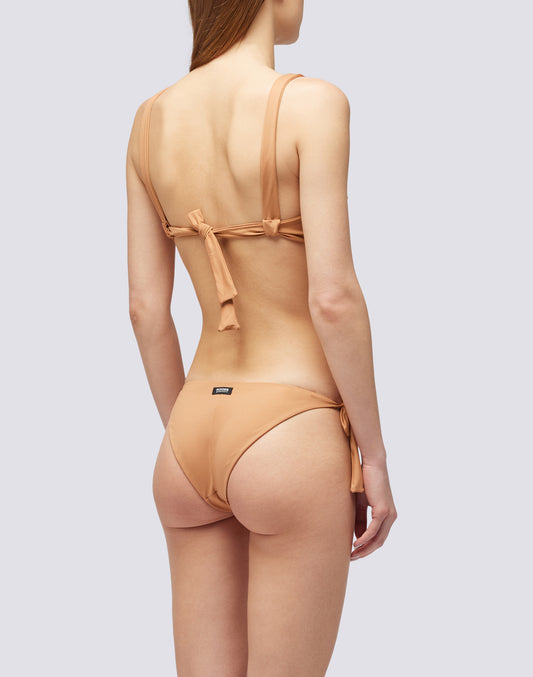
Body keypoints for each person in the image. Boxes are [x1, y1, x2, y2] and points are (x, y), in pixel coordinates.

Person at [126, 1, 397, 674]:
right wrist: (372, 457)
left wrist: (191, 437)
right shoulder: (312, 104)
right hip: (290, 431)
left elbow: (145, 310)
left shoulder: (150, 120)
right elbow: (332, 299)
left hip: (191, 432)